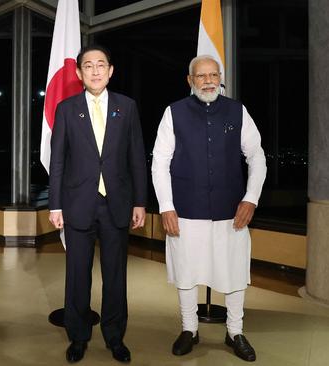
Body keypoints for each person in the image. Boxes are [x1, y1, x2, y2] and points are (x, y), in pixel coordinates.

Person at [151, 55, 267, 362]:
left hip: (232, 212)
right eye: (201, 76)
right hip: (185, 210)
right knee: (186, 273)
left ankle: (235, 332)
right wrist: (166, 206)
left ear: (220, 78)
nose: (208, 80)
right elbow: (159, 162)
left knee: (234, 272)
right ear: (190, 81)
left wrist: (251, 198)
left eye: (213, 75)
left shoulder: (237, 110)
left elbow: (257, 157)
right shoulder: (173, 112)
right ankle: (189, 329)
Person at [48, 44, 147, 364]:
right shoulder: (66, 109)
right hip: (77, 204)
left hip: (117, 204)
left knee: (116, 276)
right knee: (77, 275)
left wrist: (140, 202)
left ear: (111, 70)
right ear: (79, 73)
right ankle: (78, 337)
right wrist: (55, 205)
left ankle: (115, 336)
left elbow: (136, 158)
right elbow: (58, 162)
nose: (94, 70)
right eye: (87, 66)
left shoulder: (127, 107)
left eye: (100, 65)